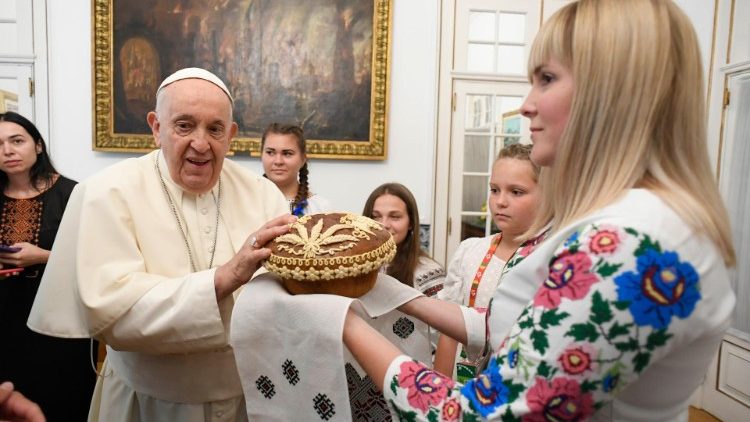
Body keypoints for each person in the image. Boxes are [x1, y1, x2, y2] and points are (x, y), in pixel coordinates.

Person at [341, 0, 737, 419]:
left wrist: (342, 320)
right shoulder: (627, 222)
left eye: (546, 79)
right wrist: (382, 291)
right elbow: (505, 328)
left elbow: (474, 415)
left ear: (610, 93)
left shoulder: (630, 241)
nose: (527, 104)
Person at [26, 68, 294, 421]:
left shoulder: (263, 195)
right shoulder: (106, 193)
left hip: (241, 403)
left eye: (215, 129)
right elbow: (113, 311)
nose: (201, 144)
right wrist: (222, 280)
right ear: (156, 128)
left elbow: (283, 300)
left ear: (230, 135)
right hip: (145, 404)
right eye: (184, 125)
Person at [0, 112, 94, 421]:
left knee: (65, 398)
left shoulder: (73, 194)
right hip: (5, 322)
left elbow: (96, 260)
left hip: (60, 321)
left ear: (38, 146)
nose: (8, 151)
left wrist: (40, 256)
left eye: (17, 141)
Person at [434, 144, 544, 381]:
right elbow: (449, 328)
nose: (500, 201)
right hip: (460, 381)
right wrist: (441, 388)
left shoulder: (546, 257)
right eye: (494, 190)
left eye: (516, 192)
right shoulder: (470, 250)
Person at [347, 183, 445, 420]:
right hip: (355, 382)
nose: (384, 224)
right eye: (376, 216)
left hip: (407, 382)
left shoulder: (429, 273)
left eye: (395, 216)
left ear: (411, 223)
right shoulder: (350, 270)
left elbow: (440, 340)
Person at [260, 123, 331, 216]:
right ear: (261, 155)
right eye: (270, 152)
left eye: (287, 153)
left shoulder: (320, 208)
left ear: (303, 159)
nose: (278, 161)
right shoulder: (244, 203)